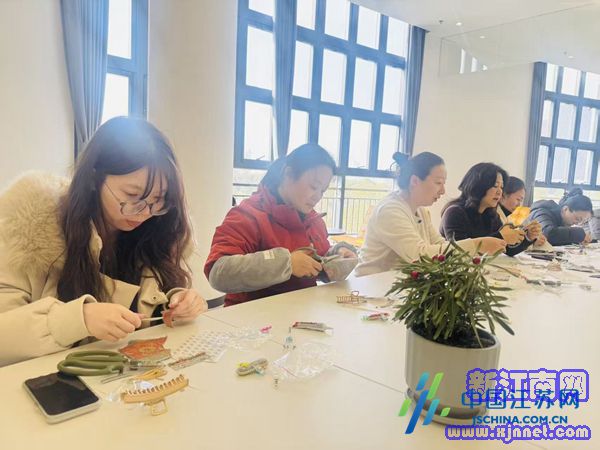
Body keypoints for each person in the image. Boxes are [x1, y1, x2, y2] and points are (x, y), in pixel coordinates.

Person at [0, 117, 207, 367]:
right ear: (93, 179)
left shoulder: (157, 231)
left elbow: (150, 317)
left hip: (127, 380)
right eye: (132, 195)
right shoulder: (28, 231)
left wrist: (180, 302)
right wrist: (78, 318)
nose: (145, 212)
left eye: (158, 199)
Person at [205, 144, 356, 306]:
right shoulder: (248, 215)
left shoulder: (313, 220)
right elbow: (218, 273)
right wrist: (286, 263)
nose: (317, 196)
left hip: (299, 312)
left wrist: (336, 257)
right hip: (251, 315)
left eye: (322, 191)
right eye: (313, 187)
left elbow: (319, 262)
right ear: (288, 174)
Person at [354, 152, 506, 276]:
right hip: (372, 288)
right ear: (415, 181)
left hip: (395, 288)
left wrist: (478, 247)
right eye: (438, 183)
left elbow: (440, 245)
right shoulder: (390, 210)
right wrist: (477, 244)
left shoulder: (420, 210)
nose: (443, 191)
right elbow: (419, 255)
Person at [440, 163, 542, 256]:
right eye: (495, 186)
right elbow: (459, 251)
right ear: (479, 186)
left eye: (501, 187)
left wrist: (528, 237)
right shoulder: (455, 212)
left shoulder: (491, 215)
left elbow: (507, 249)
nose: (500, 192)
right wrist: (501, 236)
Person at [528, 188, 593, 245]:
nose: (577, 223)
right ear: (565, 209)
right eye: (577, 219)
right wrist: (579, 234)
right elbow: (548, 234)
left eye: (581, 221)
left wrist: (578, 240)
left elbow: (557, 240)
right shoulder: (542, 212)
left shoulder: (562, 220)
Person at [498, 176, 547, 247]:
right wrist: (529, 240)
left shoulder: (509, 215)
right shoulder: (495, 216)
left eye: (521, 201)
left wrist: (531, 237)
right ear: (504, 195)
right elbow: (506, 247)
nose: (519, 205)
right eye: (518, 199)